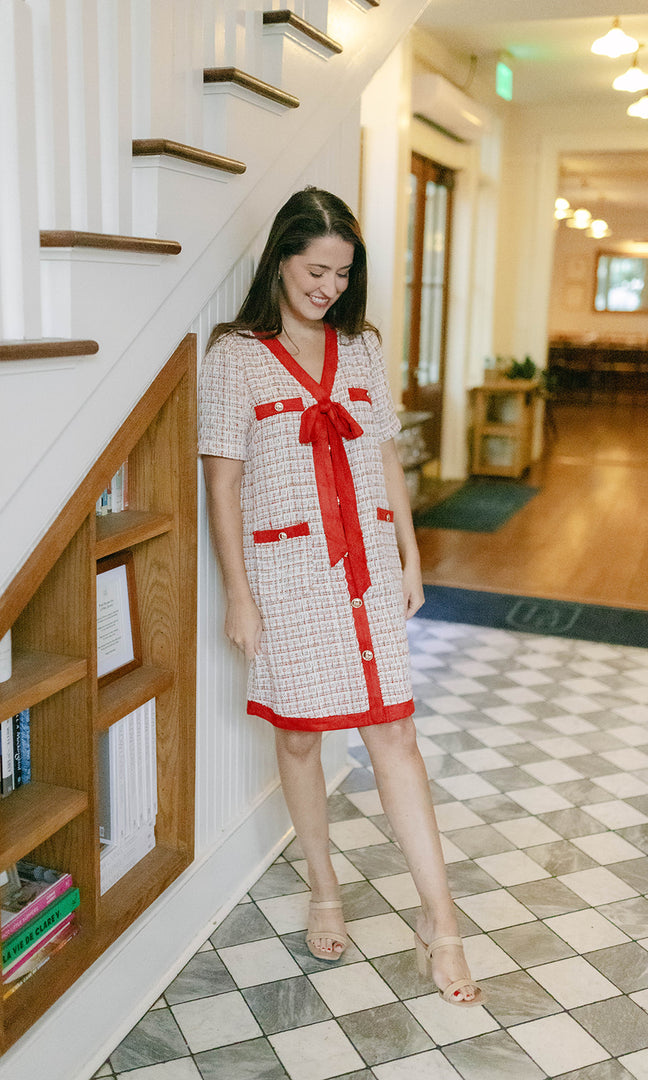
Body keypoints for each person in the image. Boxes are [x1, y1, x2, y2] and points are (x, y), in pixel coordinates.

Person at [198, 187, 483, 1006]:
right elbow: (224, 485)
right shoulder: (234, 356)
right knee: (298, 742)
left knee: (395, 734)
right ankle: (323, 886)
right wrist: (238, 597)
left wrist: (411, 556)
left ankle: (443, 921)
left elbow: (386, 459)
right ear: (281, 260)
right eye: (315, 269)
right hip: (285, 578)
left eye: (341, 273)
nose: (327, 287)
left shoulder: (360, 348)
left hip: (364, 574)